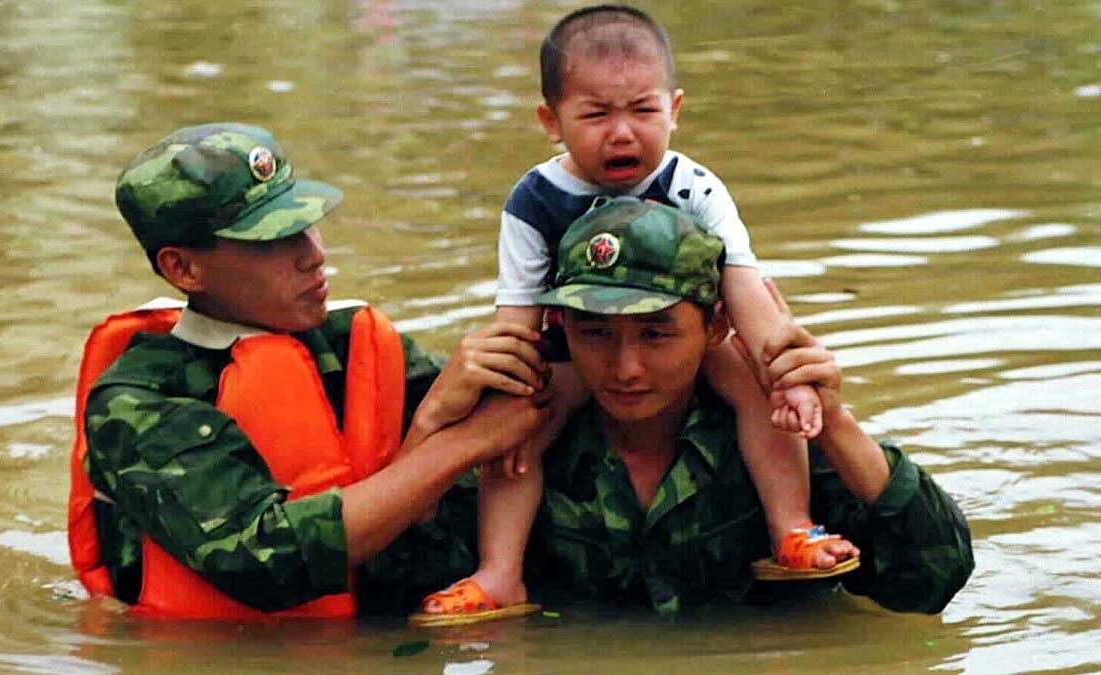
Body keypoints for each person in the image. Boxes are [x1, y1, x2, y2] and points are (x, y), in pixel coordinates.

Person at [416, 4, 853, 623]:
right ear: (551, 120)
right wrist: (508, 400)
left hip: (687, 341)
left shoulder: (694, 187)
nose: (621, 133)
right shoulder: (533, 201)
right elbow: (518, 318)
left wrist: (786, 369)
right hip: (578, 349)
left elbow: (745, 290)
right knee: (516, 425)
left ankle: (792, 528)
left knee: (761, 387)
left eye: (643, 111)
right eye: (594, 115)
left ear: (675, 110)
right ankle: (500, 572)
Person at [68, 123, 555, 619]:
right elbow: (266, 558)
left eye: (307, 224)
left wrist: (430, 420)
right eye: (271, 241)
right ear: (183, 270)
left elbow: (508, 435)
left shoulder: (352, 344)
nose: (315, 255)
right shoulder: (138, 401)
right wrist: (460, 444)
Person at [519, 198, 973, 614]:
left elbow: (933, 580)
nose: (626, 368)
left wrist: (833, 421)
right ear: (562, 327)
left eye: (655, 334)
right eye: (596, 333)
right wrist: (449, 423)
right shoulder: (527, 449)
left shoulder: (777, 437)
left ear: (716, 326)